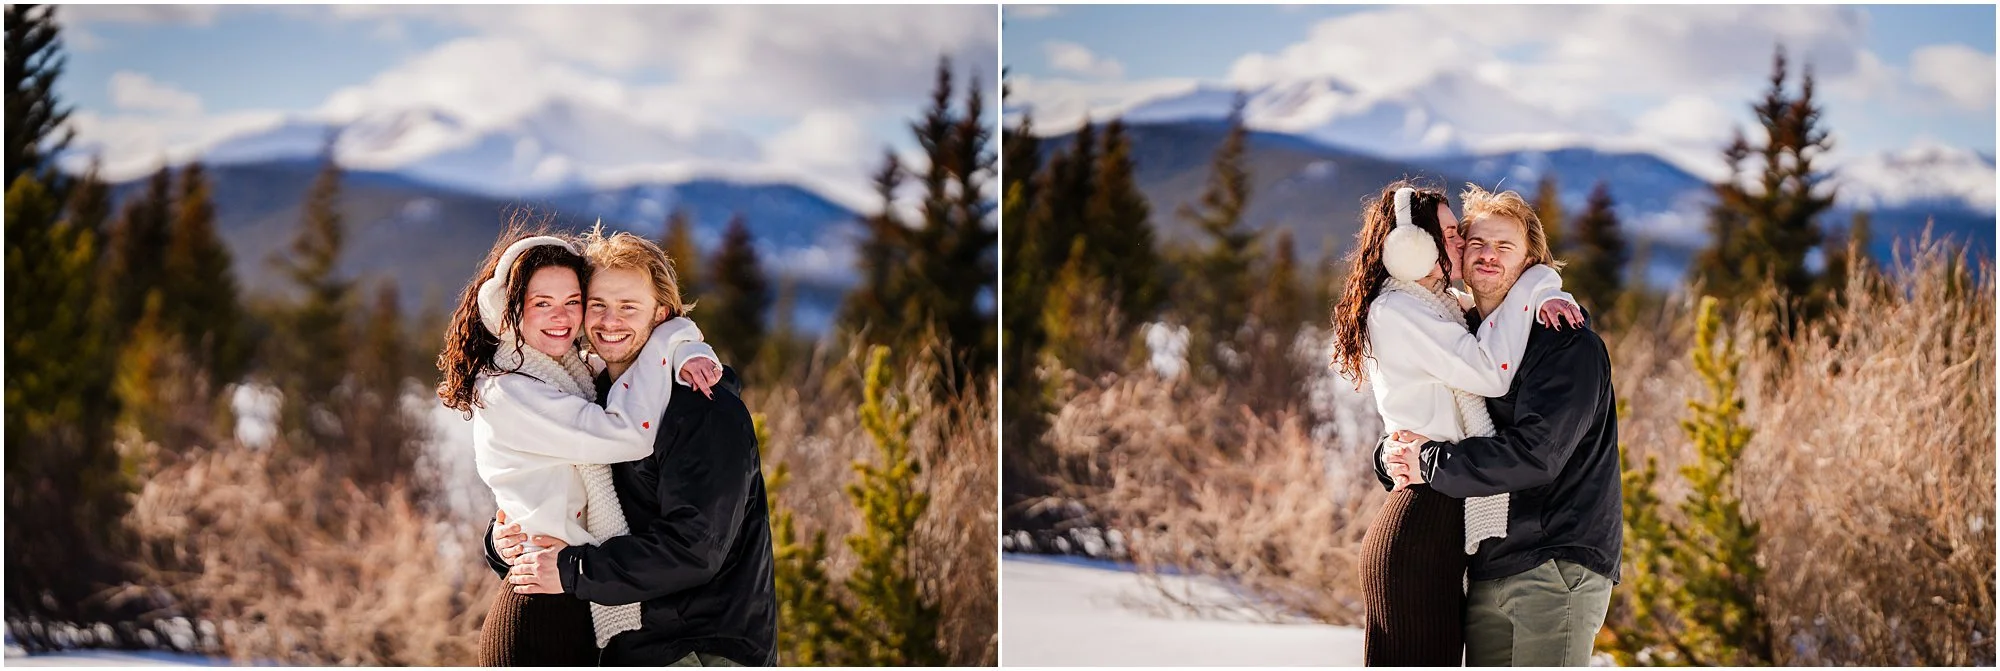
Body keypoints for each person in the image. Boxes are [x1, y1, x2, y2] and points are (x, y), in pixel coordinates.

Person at [486, 225, 778, 667]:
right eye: (597, 305)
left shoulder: (701, 408)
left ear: (661, 316)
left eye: (628, 307)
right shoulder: (594, 396)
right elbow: (562, 496)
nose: (610, 321)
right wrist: (502, 538)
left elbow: (694, 548)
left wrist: (573, 570)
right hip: (630, 645)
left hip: (699, 648)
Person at [436, 225, 724, 666]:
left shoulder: (568, 373)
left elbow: (639, 360)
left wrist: (684, 348)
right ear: (507, 311)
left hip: (572, 595)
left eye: (573, 302)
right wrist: (672, 334)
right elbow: (627, 432)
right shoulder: (512, 392)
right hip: (540, 616)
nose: (561, 317)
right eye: (542, 304)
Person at [1329, 180, 1580, 666]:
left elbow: (1501, 304)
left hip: (1440, 518)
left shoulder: (1439, 307)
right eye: (1448, 235)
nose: (1460, 244)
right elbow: (1490, 369)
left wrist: (1544, 287)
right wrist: (1535, 281)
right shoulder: (1400, 309)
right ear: (1410, 246)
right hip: (1420, 524)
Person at [1379, 185, 1623, 667]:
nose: (1489, 256)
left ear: (1532, 261)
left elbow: (1536, 454)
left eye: (1505, 247)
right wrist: (1391, 453)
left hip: (1556, 564)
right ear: (1458, 255)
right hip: (1488, 565)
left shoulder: (1564, 343)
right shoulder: (1464, 337)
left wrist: (1427, 461)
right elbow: (1434, 420)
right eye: (1477, 244)